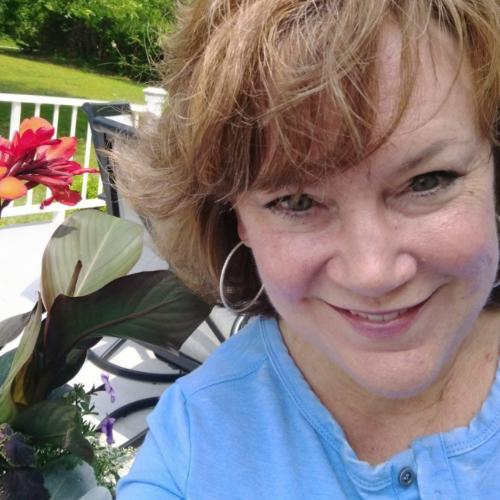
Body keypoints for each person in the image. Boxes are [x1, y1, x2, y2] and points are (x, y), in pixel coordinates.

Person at [116, 0, 500, 497]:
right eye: (296, 201)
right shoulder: (193, 446)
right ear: (237, 219)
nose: (372, 273)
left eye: (427, 181)